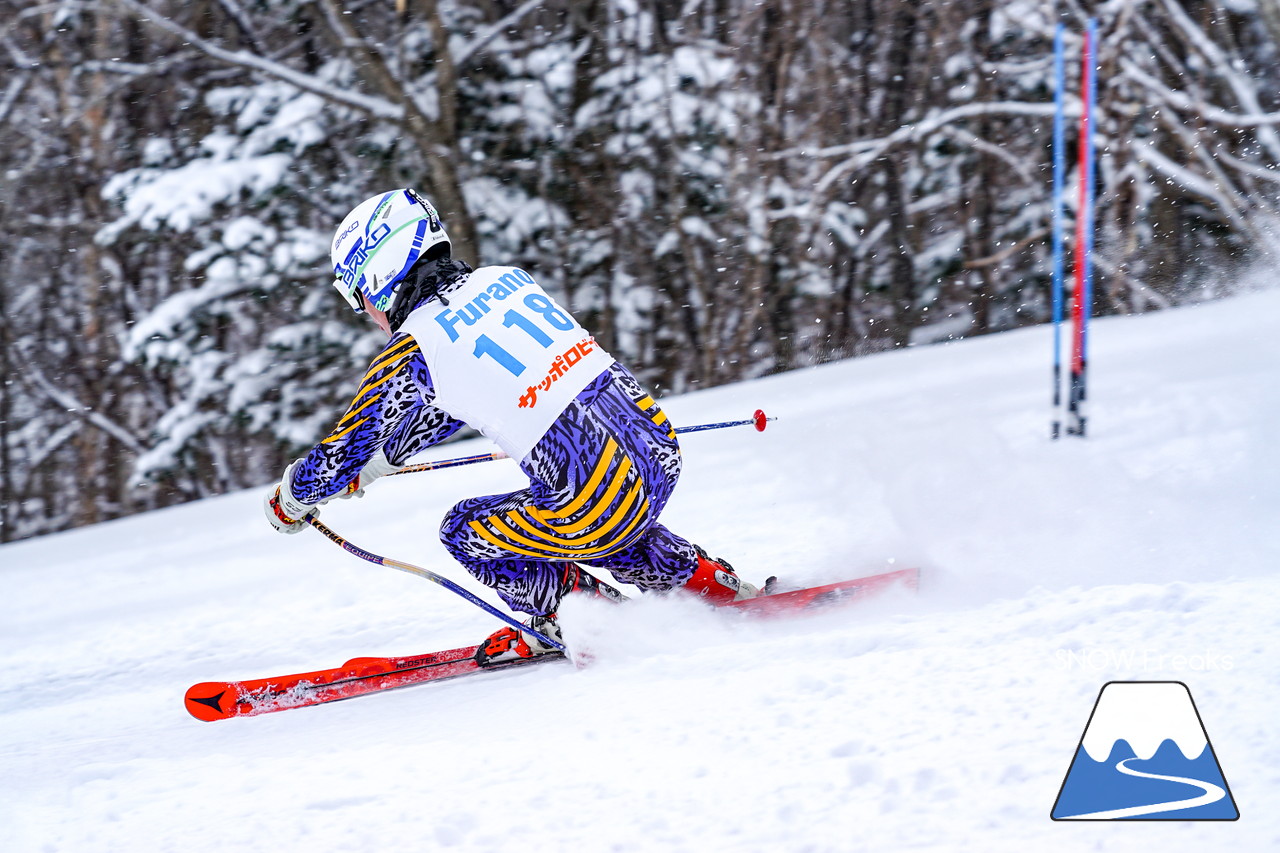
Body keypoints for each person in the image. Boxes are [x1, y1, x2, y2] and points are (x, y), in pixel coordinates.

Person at [264, 189, 758, 665]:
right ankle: (699, 579)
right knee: (607, 513)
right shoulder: (507, 280)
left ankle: (580, 618)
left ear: (379, 275)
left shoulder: (414, 348)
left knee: (464, 529)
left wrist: (292, 498)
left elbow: (340, 454)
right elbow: (458, 399)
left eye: (359, 298)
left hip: (595, 499)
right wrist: (381, 462)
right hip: (658, 450)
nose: (367, 316)